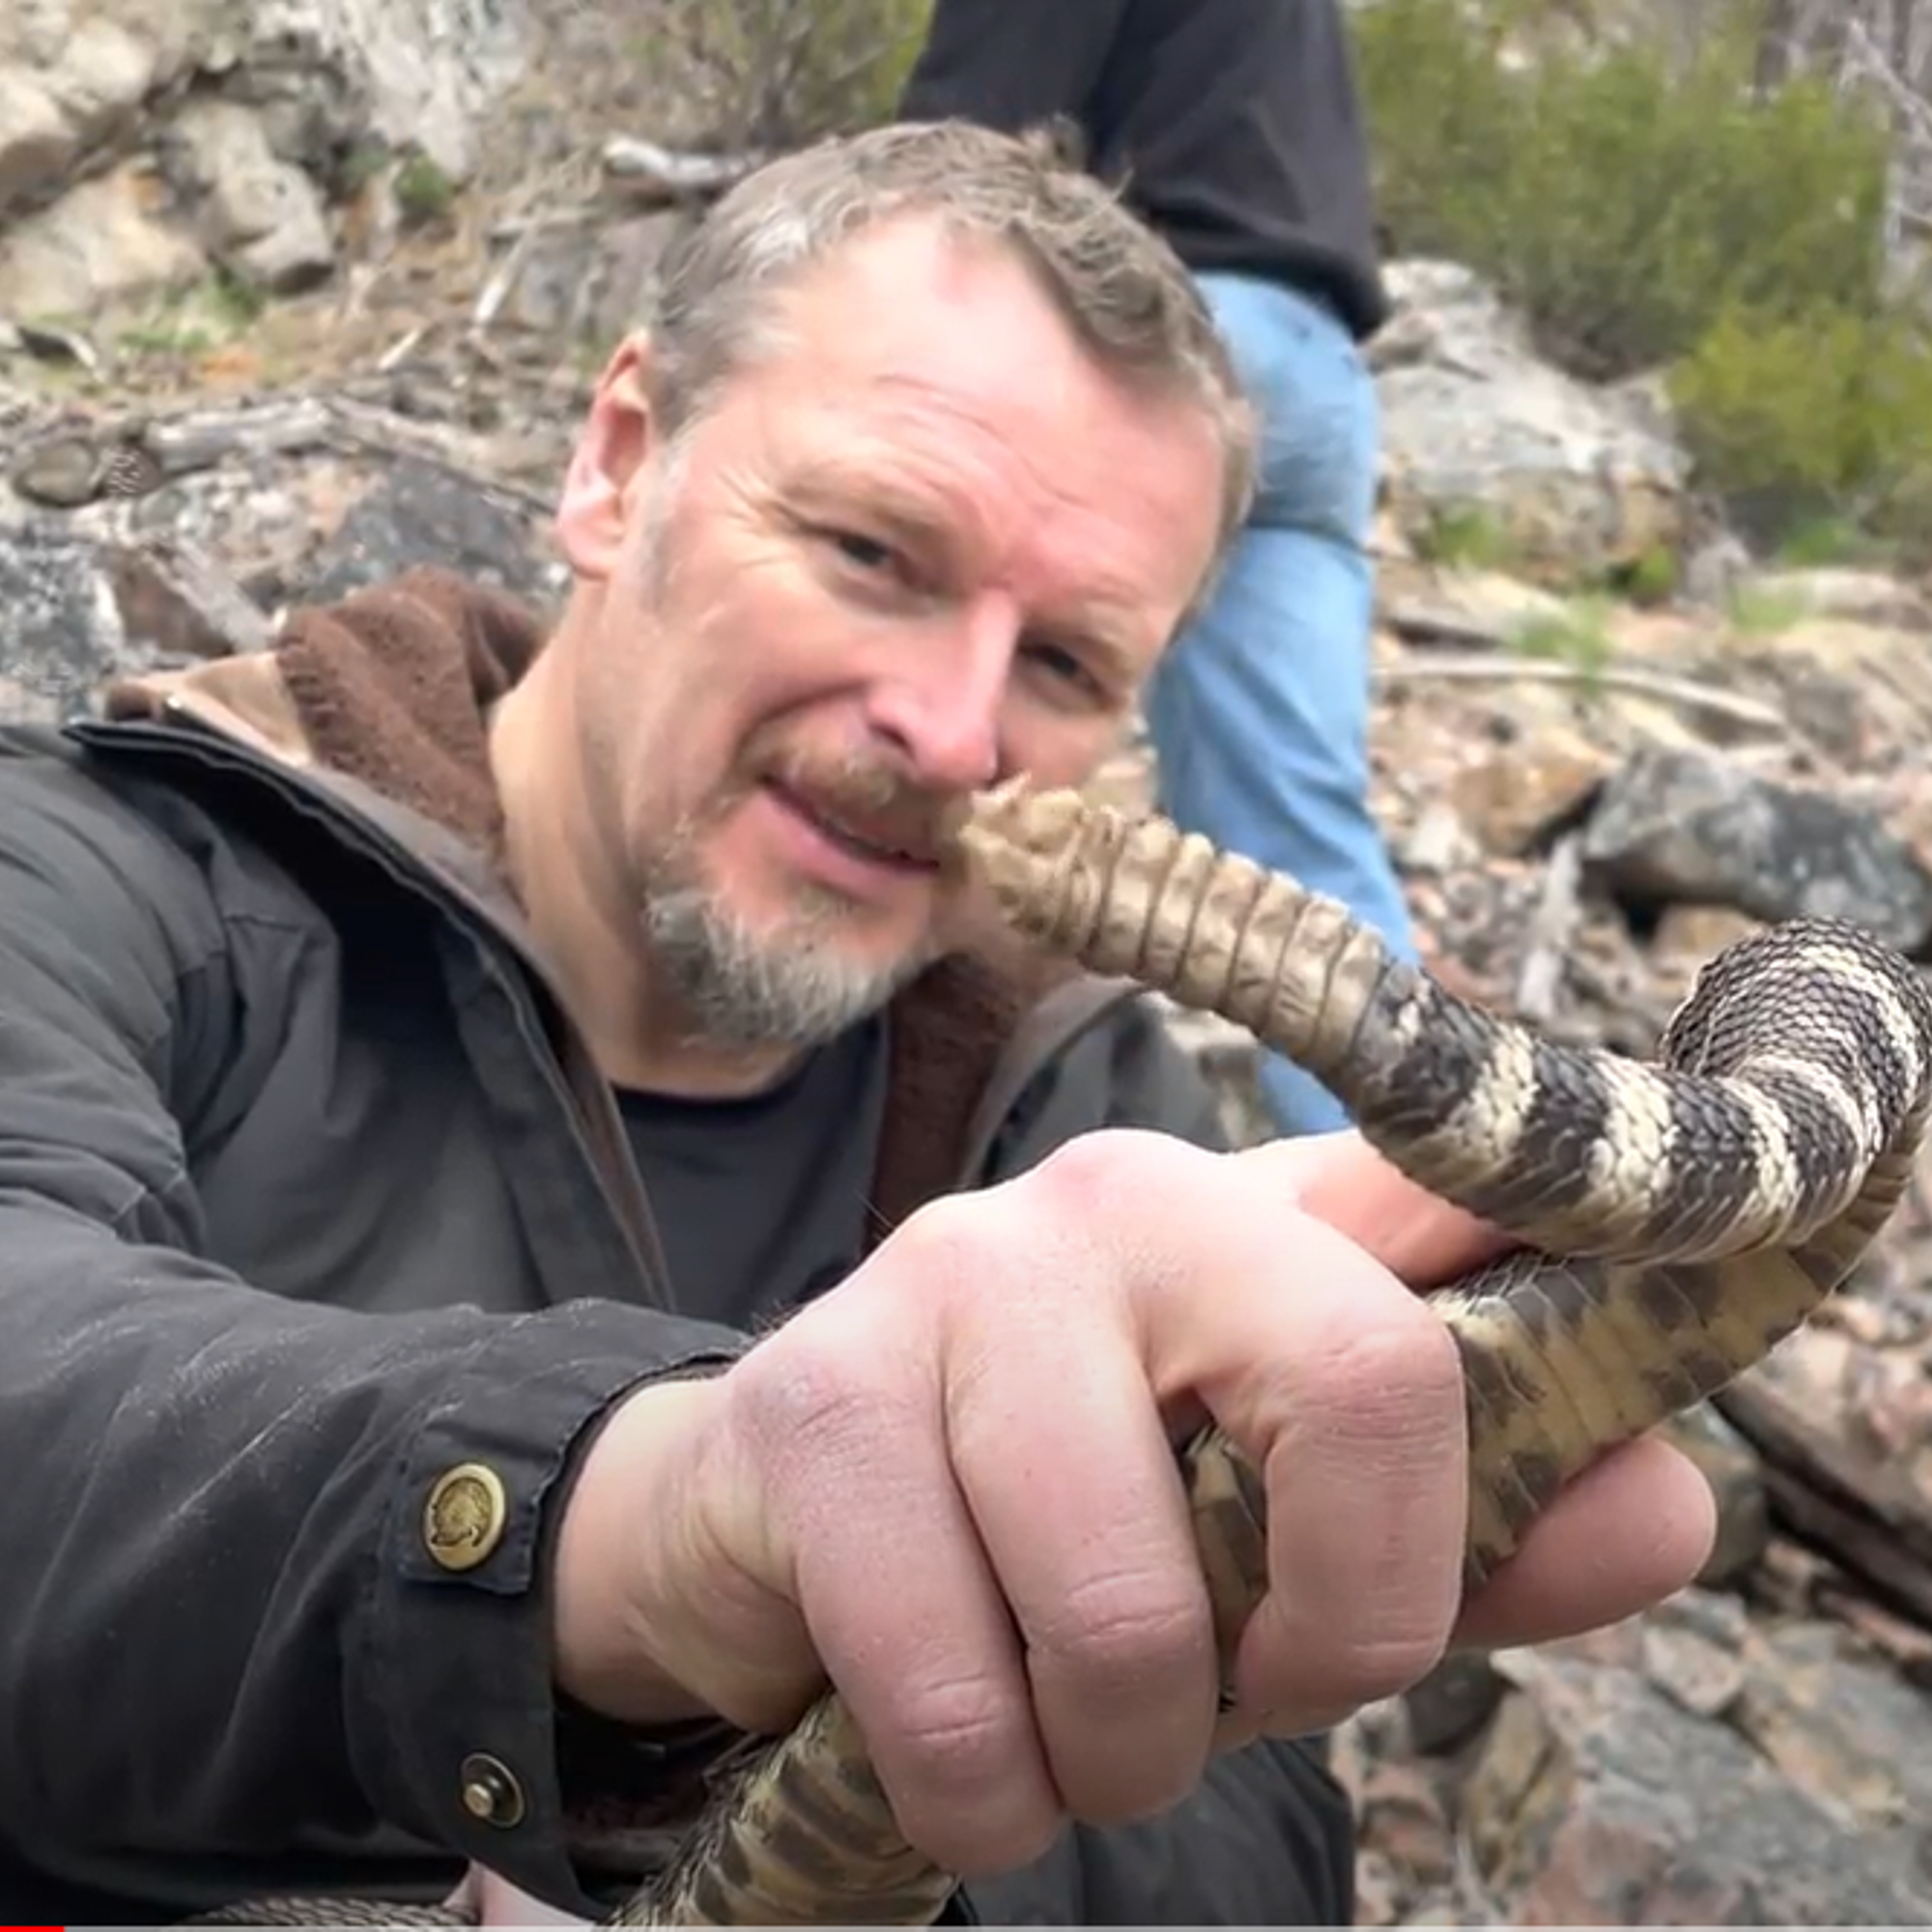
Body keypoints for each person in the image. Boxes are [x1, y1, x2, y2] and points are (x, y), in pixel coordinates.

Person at [0, 121, 1713, 1926]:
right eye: (874, 551)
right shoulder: (108, 873)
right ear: (619, 462)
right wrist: (619, 1525)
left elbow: (1257, 1823)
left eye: (1063, 665)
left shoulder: (1084, 1099)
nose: (957, 731)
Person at [897, 0, 1424, 1141]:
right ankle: (1441, 1218)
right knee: (1300, 832)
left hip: (1173, 341)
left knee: (923, 717)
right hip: (1318, 364)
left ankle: (886, 1116)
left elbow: (955, 149)